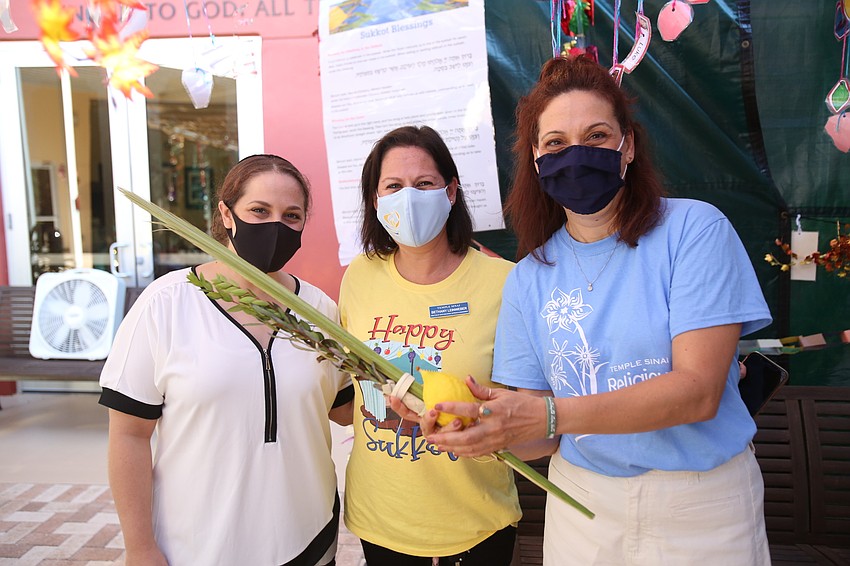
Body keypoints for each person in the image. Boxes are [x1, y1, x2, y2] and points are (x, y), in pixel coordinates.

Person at [422, 55, 773, 565]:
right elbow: (537, 441)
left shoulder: (694, 231)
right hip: (582, 506)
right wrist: (481, 426)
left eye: (598, 135)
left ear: (627, 146)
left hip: (701, 505)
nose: (576, 154)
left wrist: (545, 413)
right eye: (557, 143)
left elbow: (697, 393)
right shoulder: (528, 277)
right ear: (538, 160)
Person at [99, 154, 354, 566]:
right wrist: (139, 547)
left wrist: (410, 386)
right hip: (196, 546)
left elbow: (346, 410)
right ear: (226, 213)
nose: (276, 225)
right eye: (259, 210)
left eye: (292, 215)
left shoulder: (319, 310)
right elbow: (128, 434)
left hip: (308, 538)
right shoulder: (168, 303)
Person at [339, 125, 521, 565]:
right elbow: (349, 392)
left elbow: (524, 409)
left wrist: (469, 421)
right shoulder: (358, 275)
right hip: (380, 520)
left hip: (474, 526)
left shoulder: (506, 282)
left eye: (424, 184)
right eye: (393, 186)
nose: (409, 197)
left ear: (452, 191)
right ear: (376, 201)